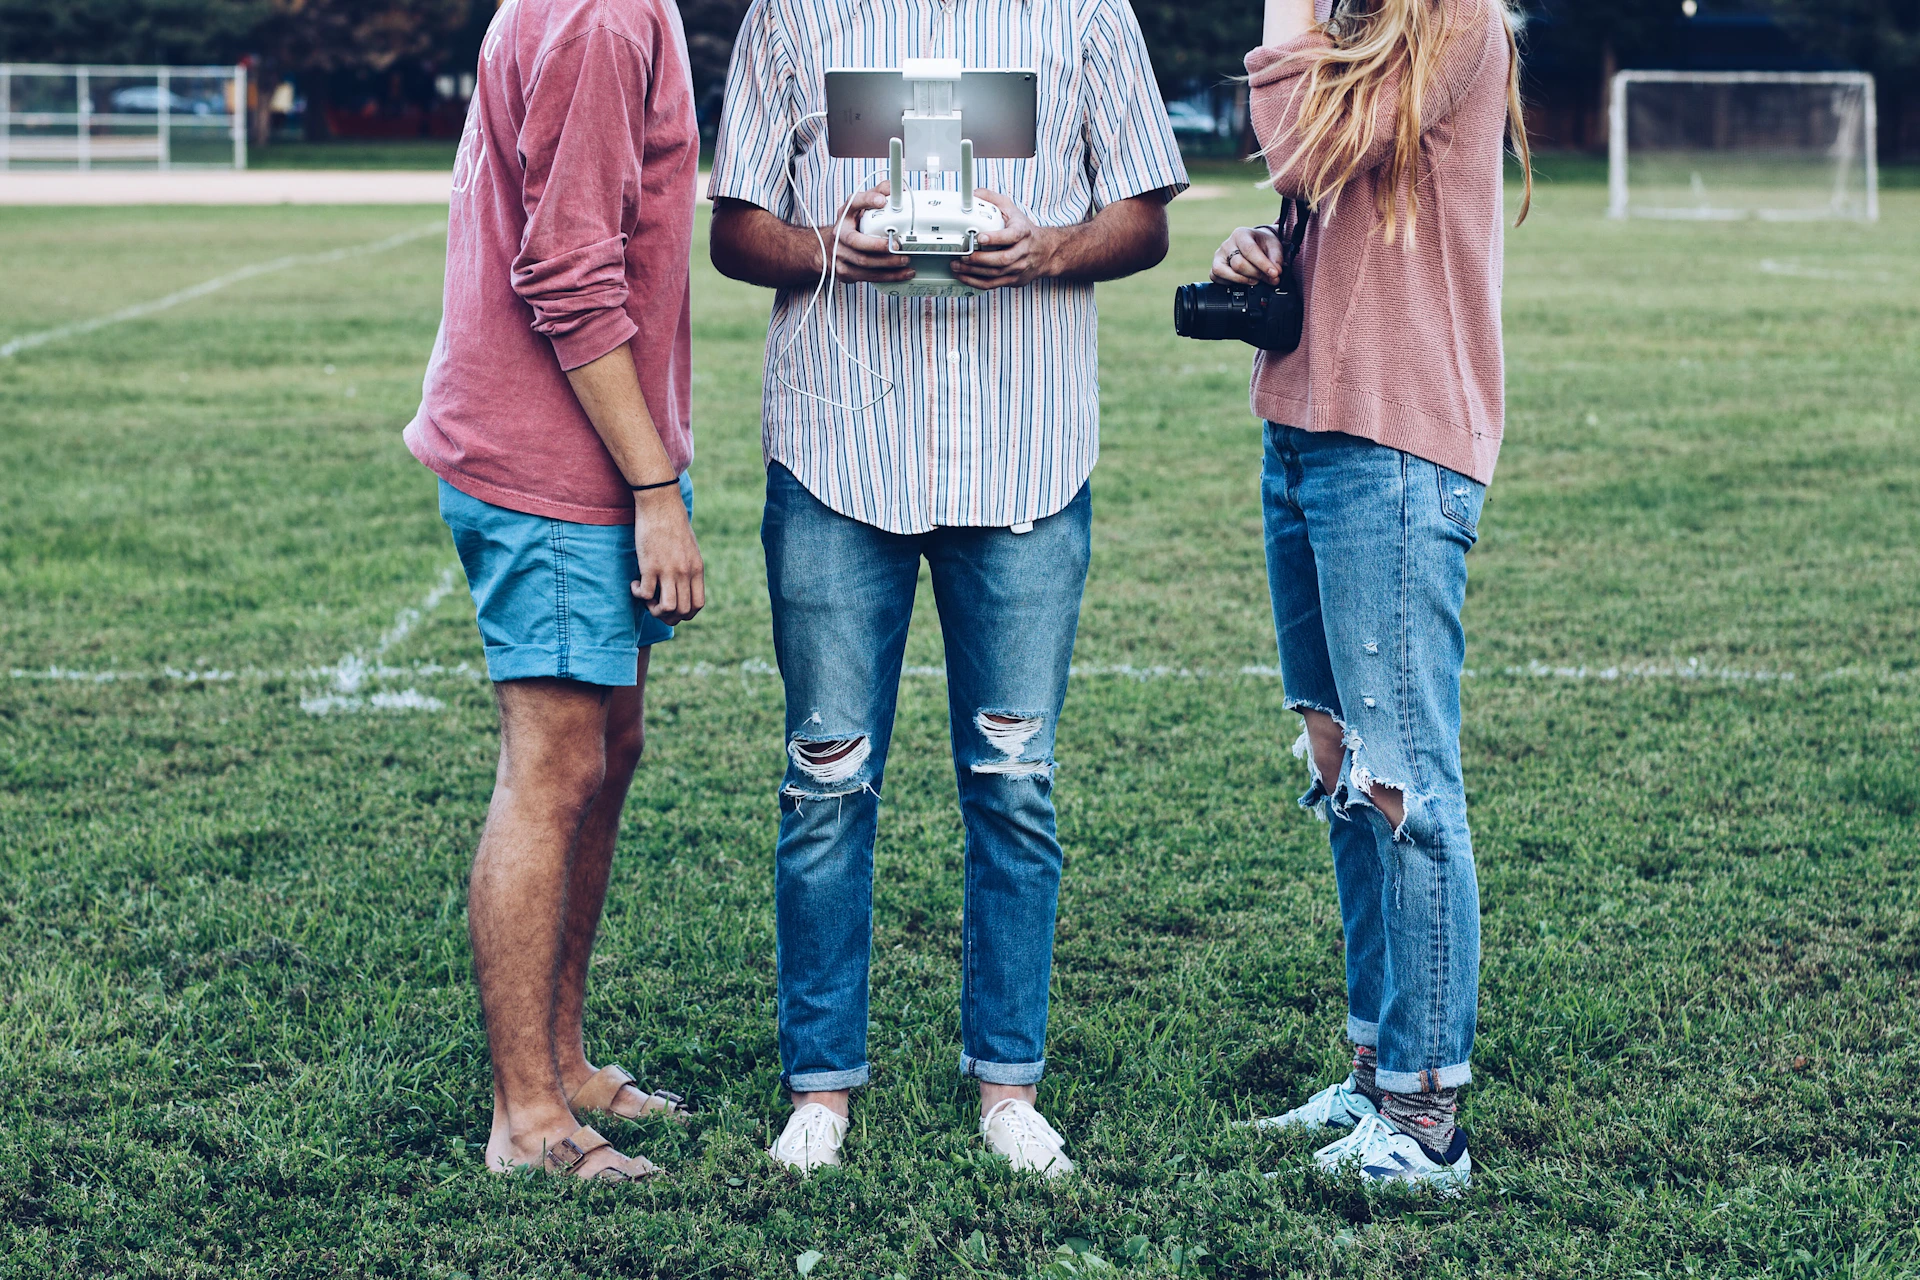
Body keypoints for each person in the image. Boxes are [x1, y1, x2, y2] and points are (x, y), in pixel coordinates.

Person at [707, 0, 1188, 1177]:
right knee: (824, 780)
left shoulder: (1082, 12)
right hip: (837, 446)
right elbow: (734, 230)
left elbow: (1143, 215)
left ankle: (1007, 1084)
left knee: (1015, 784)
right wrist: (831, 245)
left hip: (1024, 449)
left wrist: (1048, 248)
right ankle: (820, 1088)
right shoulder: (796, 14)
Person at [1215, 0, 1531, 1188]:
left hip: (1396, 447)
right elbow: (1324, 187)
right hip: (1304, 429)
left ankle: (1428, 1116)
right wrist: (1265, 249)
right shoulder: (1357, 22)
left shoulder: (1454, 18)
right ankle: (1372, 1068)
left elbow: (1307, 144)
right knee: (1345, 768)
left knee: (1405, 782)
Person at [401, 0, 706, 1183]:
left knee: (604, 747)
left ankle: (566, 1064)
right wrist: (655, 486)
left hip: (574, 457)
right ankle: (528, 1118)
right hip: (554, 469)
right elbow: (567, 273)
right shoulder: (603, 17)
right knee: (555, 765)